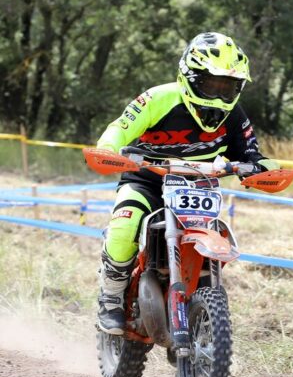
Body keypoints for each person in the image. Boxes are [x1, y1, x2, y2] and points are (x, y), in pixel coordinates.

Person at [96, 32, 278, 334]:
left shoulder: (234, 115)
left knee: (217, 233)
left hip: (196, 188)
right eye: (212, 84)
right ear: (190, 77)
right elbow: (119, 128)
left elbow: (252, 154)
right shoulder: (158, 99)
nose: (220, 95)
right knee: (124, 225)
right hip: (146, 180)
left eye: (229, 87)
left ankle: (198, 302)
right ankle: (111, 299)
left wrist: (263, 169)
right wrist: (108, 149)